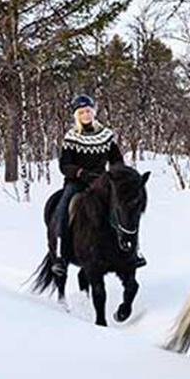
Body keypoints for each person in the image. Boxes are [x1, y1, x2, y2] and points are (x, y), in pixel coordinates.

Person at [52, 94, 143, 274]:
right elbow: (64, 164)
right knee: (63, 209)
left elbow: (117, 160)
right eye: (82, 112)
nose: (86, 114)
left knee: (126, 210)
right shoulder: (72, 136)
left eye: (88, 111)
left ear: (93, 112)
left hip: (102, 183)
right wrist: (80, 173)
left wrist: (117, 176)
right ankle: (60, 255)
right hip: (77, 183)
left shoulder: (106, 135)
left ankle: (134, 251)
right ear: (77, 115)